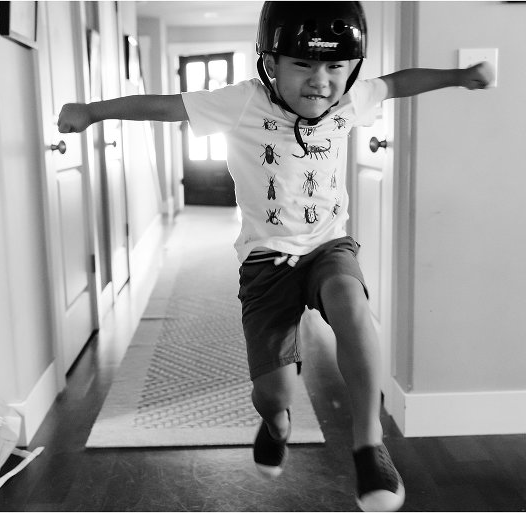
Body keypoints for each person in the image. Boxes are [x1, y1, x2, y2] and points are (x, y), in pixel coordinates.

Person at [59, 2, 493, 510]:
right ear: (270, 62)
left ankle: (368, 443)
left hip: (329, 245)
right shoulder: (241, 102)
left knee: (350, 302)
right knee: (274, 392)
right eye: (303, 65)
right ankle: (276, 421)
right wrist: (92, 112)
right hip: (266, 261)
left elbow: (399, 82)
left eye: (335, 66)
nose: (321, 81)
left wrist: (460, 76)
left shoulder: (355, 99)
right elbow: (164, 106)